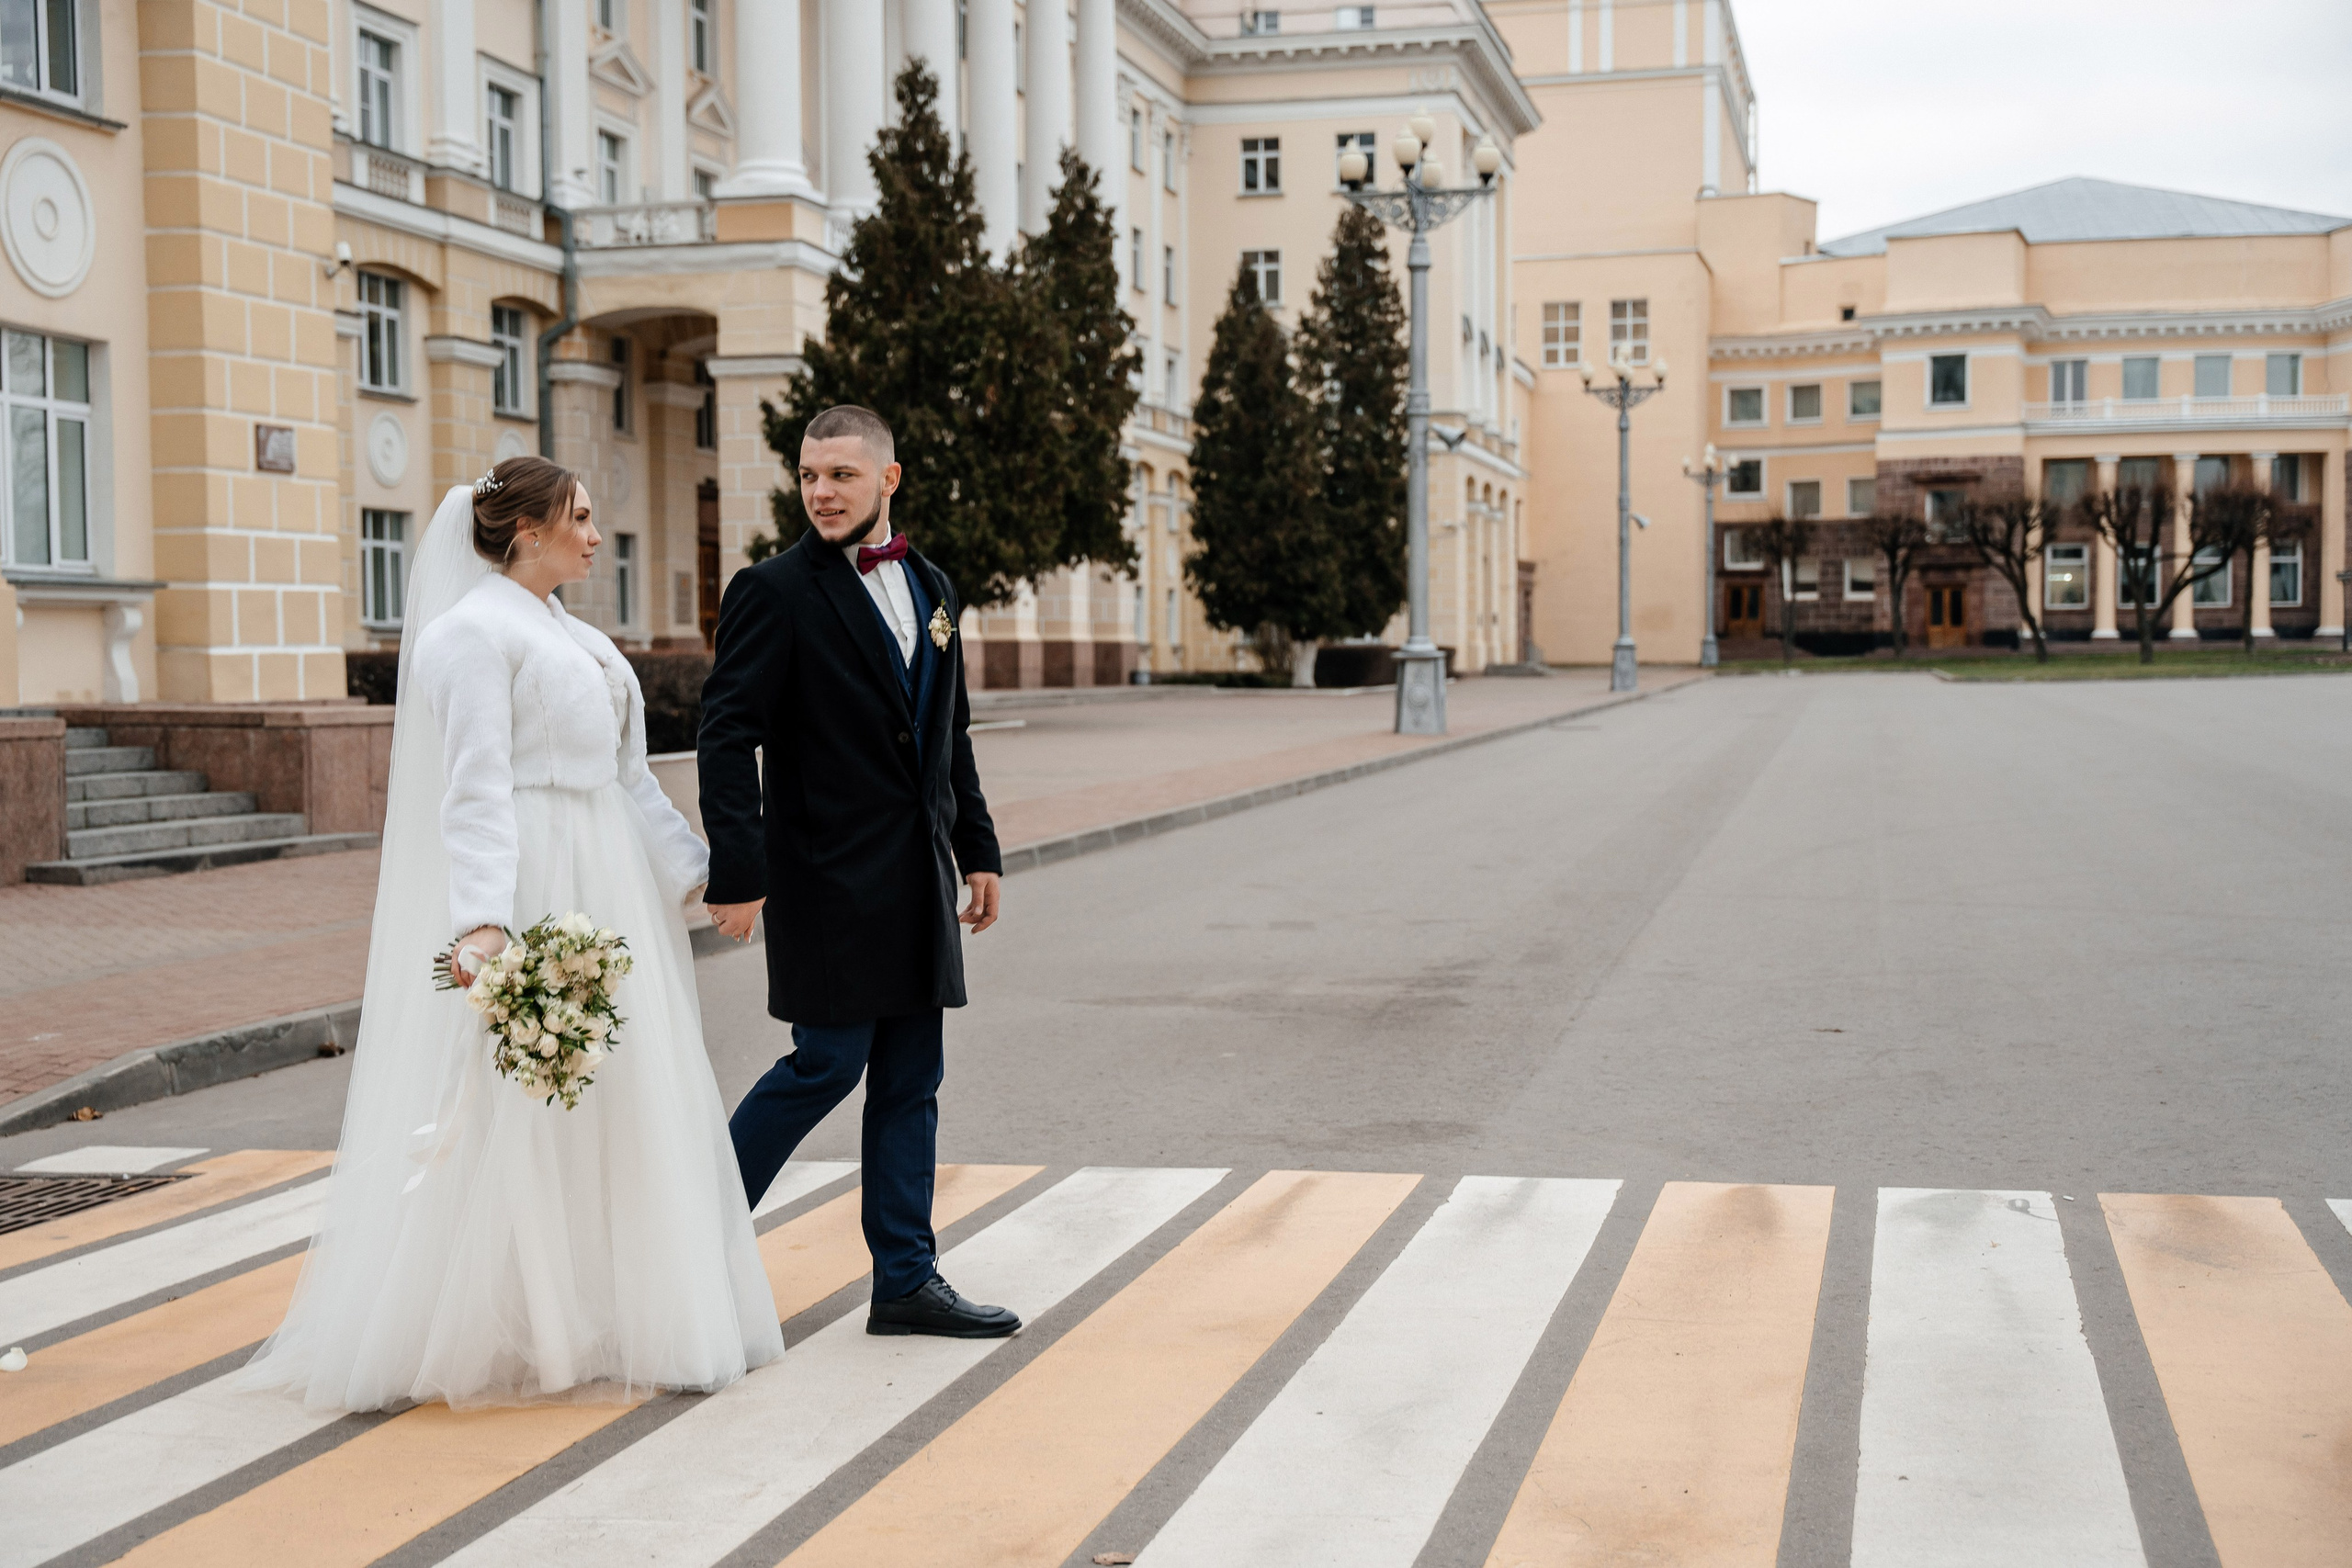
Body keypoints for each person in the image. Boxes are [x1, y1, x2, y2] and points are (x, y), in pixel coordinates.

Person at [242, 457, 782, 1411]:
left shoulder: (577, 637)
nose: (591, 533)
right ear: (524, 531)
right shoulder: (471, 637)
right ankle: (515, 1322)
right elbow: (474, 788)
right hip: (539, 880)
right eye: (577, 517)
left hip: (609, 879)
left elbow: (629, 776)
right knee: (525, 1102)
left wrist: (703, 877)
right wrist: (486, 922)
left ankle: (613, 1308)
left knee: (623, 1091)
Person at [699, 404, 1015, 1337]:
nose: (821, 492)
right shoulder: (775, 590)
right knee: (826, 1063)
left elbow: (946, 733)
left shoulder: (931, 584)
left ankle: (906, 1282)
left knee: (912, 1075)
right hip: (824, 879)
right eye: (808, 477)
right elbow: (726, 732)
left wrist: (980, 849)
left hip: (916, 879)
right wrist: (738, 867)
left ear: (889, 479)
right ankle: (692, 1234)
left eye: (840, 475)